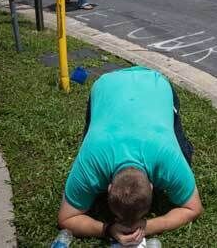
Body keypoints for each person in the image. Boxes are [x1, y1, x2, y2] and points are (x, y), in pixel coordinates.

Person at [57, 66, 203, 245]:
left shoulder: (168, 157)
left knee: (185, 156)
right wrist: (108, 229)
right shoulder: (91, 160)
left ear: (110, 188)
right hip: (107, 87)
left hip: (156, 85)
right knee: (93, 133)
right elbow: (65, 218)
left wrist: (147, 226)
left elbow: (195, 208)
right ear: (150, 186)